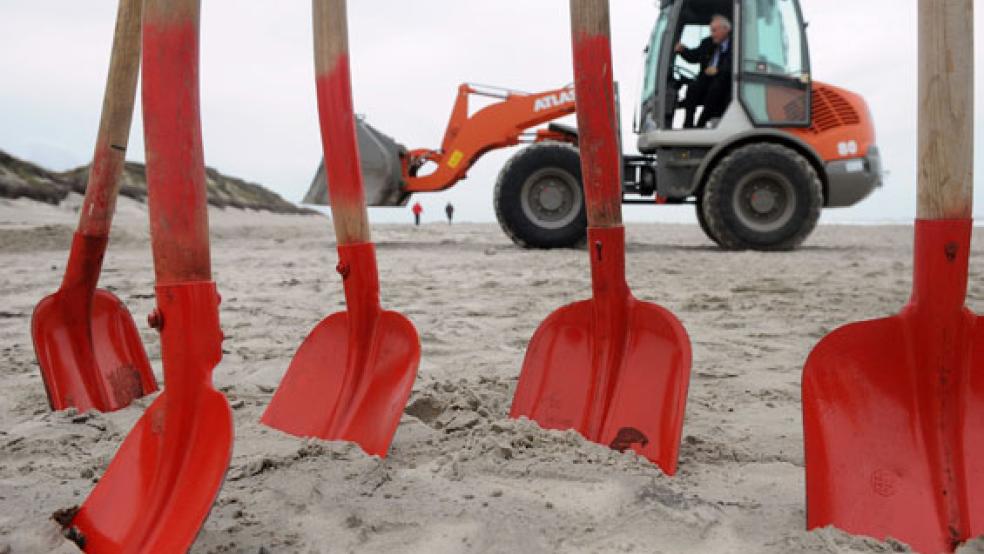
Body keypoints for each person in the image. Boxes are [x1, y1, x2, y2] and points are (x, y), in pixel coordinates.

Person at [675, 14, 733, 129]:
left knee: (716, 88)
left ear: (726, 29)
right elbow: (694, 56)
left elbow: (735, 65)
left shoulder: (737, 46)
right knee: (693, 87)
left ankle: (701, 123)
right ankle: (688, 124)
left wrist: (718, 70)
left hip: (724, 82)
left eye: (714, 31)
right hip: (706, 79)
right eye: (711, 31)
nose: (712, 34)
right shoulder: (707, 43)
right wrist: (683, 50)